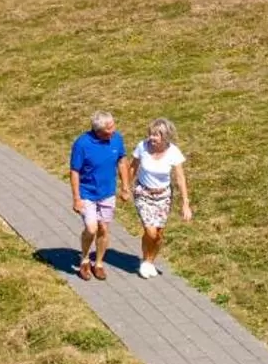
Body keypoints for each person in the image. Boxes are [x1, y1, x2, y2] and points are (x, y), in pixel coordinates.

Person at [67, 110, 127, 280]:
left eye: (113, 125)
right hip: (87, 194)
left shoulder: (117, 139)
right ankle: (84, 260)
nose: (113, 130)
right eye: (109, 128)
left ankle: (98, 263)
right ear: (98, 130)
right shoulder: (82, 144)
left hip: (107, 193)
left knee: (103, 229)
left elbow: (122, 162)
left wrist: (125, 187)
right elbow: (75, 171)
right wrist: (76, 198)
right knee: (91, 228)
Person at [130, 118, 192, 279]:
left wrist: (185, 203)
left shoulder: (173, 152)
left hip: (163, 196)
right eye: (151, 134)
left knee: (158, 234)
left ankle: (150, 261)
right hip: (143, 193)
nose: (152, 138)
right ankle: (145, 261)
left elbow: (180, 178)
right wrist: (124, 187)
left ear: (166, 137)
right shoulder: (142, 147)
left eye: (156, 135)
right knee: (150, 231)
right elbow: (133, 166)